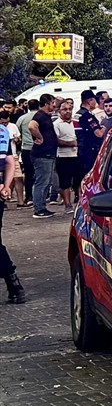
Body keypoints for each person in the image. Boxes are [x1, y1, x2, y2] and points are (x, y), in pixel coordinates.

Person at [0, 120, 24, 303]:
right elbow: (9, 160)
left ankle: (13, 281)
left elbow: (8, 160)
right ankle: (13, 282)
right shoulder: (2, 131)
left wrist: (5, 186)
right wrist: (6, 186)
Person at [28, 94, 58, 219]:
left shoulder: (45, 116)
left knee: (47, 181)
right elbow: (31, 126)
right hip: (42, 154)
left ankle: (42, 206)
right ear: (47, 104)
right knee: (42, 181)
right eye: (52, 103)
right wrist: (39, 137)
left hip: (48, 154)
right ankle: (38, 208)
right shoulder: (40, 115)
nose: (54, 106)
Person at [53, 99, 79, 211]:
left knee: (79, 179)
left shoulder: (76, 122)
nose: (68, 111)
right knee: (65, 182)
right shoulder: (56, 124)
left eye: (69, 109)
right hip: (63, 156)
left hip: (77, 155)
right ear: (59, 111)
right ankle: (68, 205)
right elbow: (56, 141)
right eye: (65, 109)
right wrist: (71, 143)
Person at [76, 90, 105, 184]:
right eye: (94, 101)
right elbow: (99, 134)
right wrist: (104, 128)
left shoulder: (77, 114)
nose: (95, 103)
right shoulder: (88, 116)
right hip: (89, 149)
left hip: (79, 148)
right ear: (89, 101)